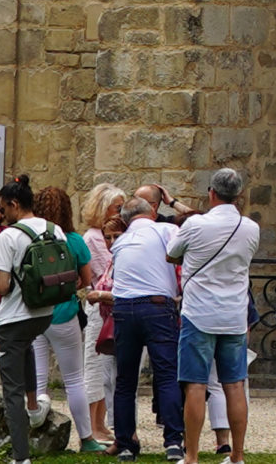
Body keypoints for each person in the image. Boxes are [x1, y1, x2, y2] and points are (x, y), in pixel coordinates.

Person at [167, 168, 260, 464]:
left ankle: (191, 456)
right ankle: (237, 455)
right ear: (239, 195)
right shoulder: (251, 228)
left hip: (199, 313)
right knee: (234, 384)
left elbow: (171, 253)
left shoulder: (195, 224)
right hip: (234, 314)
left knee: (196, 384)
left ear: (211, 193)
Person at [0, 175, 61, 464]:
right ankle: (34, 409)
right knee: (27, 347)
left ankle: (21, 457)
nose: (0, 213)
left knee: (11, 393)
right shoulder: (55, 230)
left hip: (13, 318)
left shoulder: (9, 235)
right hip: (44, 313)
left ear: (14, 204)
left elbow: (2, 286)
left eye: (2, 207)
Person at [29, 186, 106, 453]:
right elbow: (86, 280)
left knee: (38, 379)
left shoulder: (28, 238)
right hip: (64, 314)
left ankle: (36, 436)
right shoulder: (73, 240)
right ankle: (86, 438)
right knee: (74, 379)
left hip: (34, 314)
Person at [110, 197, 185, 461]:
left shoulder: (120, 243)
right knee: (166, 374)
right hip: (156, 306)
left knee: (125, 380)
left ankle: (126, 444)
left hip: (123, 308)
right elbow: (183, 254)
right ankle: (173, 442)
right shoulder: (166, 230)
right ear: (152, 212)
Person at [81, 183, 127, 443]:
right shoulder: (93, 239)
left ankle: (101, 421)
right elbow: (101, 275)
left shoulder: (110, 235)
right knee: (95, 365)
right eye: (116, 207)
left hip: (110, 307)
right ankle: (93, 424)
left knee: (106, 367)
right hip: (99, 308)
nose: (120, 212)